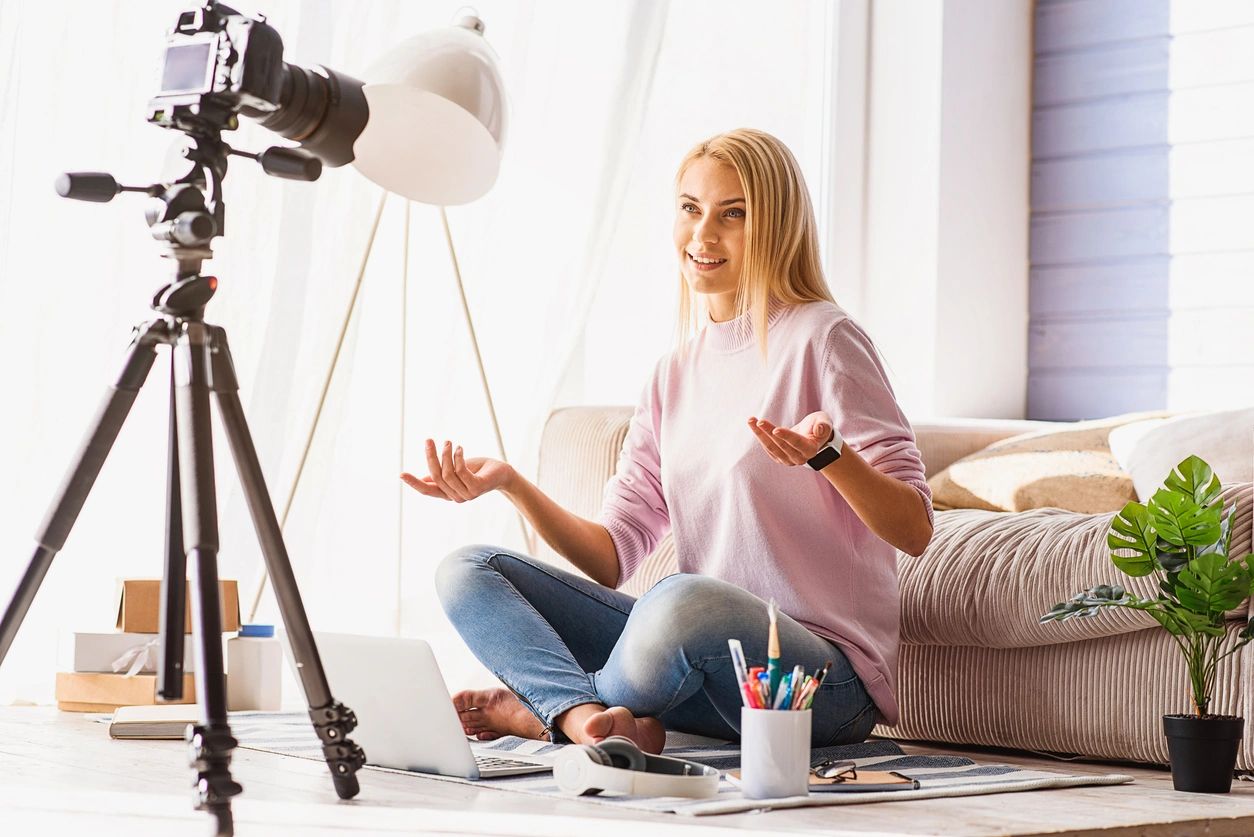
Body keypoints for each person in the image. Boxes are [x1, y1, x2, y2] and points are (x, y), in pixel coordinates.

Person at [402, 128, 934, 755]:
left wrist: (830, 457)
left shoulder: (824, 338)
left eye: (733, 214)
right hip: (699, 667)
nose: (703, 236)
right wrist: (513, 485)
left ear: (778, 225)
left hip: (818, 687)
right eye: (691, 209)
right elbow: (612, 556)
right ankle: (584, 716)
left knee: (681, 602)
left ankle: (548, 708)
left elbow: (915, 528)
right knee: (468, 570)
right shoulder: (673, 374)